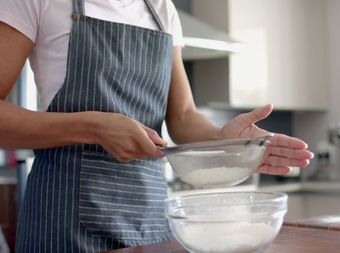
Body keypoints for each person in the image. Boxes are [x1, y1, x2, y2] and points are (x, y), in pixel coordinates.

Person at [0, 0, 314, 251]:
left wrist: (224, 140)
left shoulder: (162, 10)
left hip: (151, 221)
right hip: (63, 221)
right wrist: (95, 127)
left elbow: (183, 117)